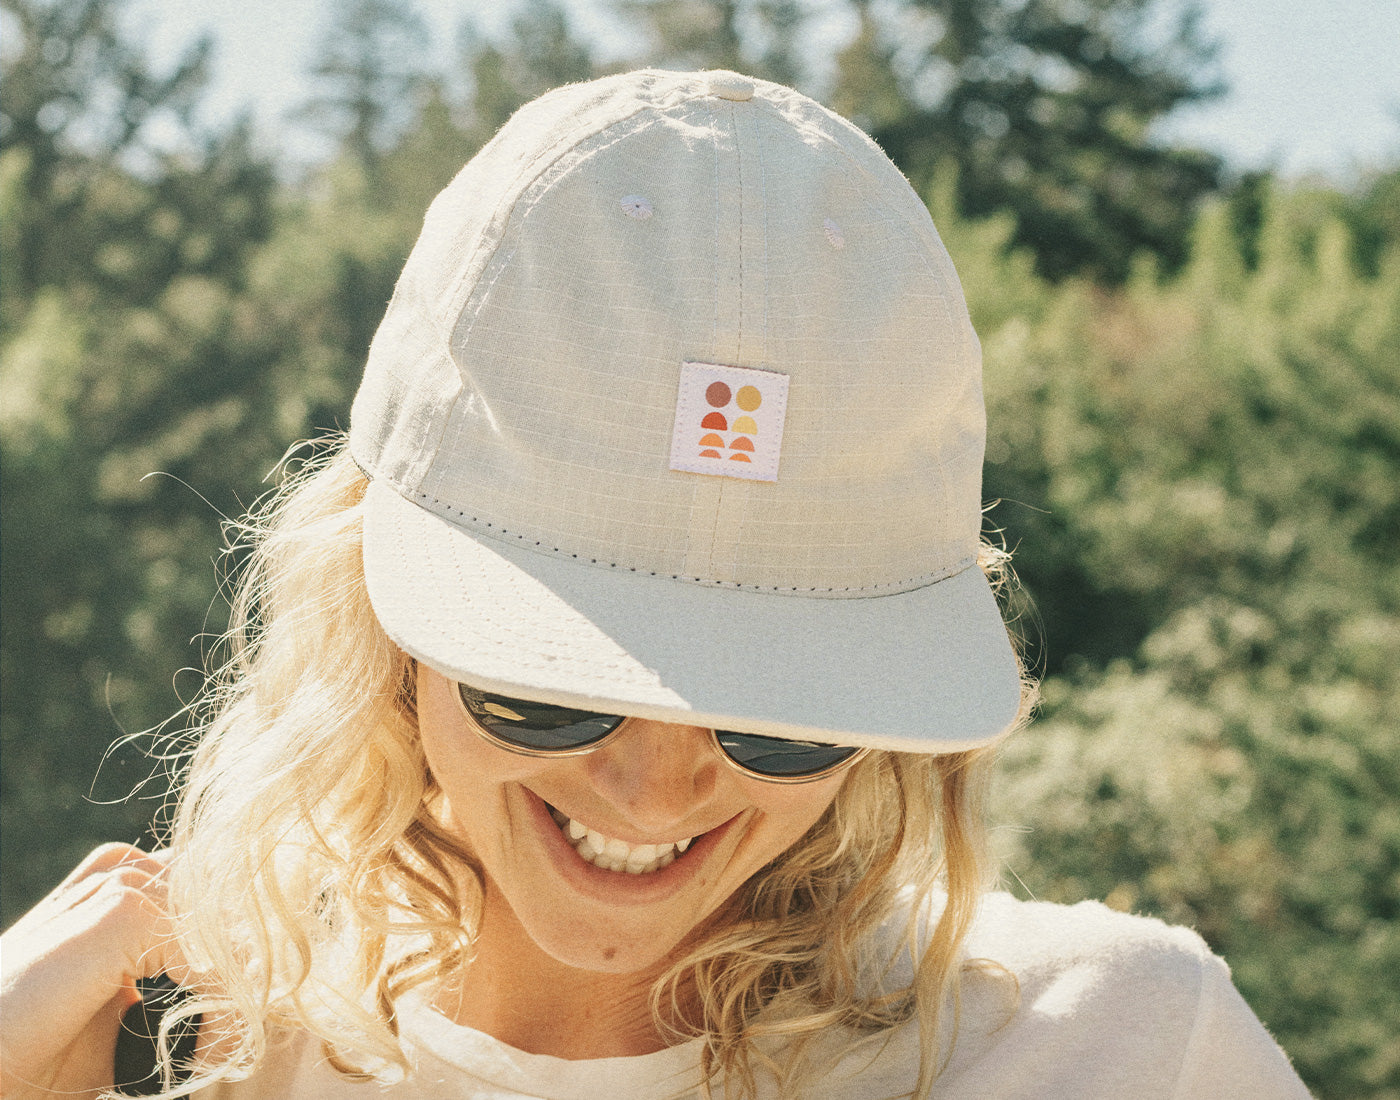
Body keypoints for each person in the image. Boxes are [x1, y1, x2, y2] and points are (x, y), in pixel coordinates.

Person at [0, 69, 1311, 1100]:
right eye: (551, 684)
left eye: (785, 711)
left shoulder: (1128, 1053)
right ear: (377, 624)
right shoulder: (197, 1067)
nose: (658, 787)